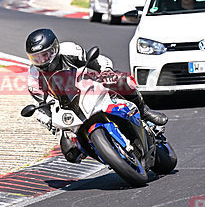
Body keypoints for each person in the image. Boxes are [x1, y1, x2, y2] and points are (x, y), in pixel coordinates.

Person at [25, 28, 168, 163]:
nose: (41, 61)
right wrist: (46, 119)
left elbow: (97, 61)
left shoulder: (69, 50)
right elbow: (41, 106)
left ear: (55, 48)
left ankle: (144, 111)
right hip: (66, 107)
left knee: (123, 82)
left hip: (89, 85)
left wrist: (106, 72)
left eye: (44, 55)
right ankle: (105, 154)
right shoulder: (33, 76)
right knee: (70, 153)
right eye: (36, 58)